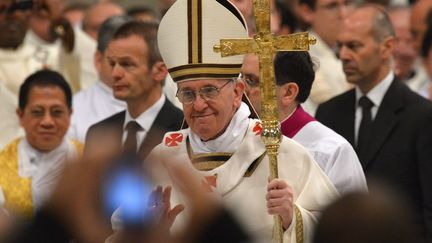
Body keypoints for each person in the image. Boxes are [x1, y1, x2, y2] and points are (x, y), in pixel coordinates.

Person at [141, 0, 340, 242]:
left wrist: (291, 217)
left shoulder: (282, 154)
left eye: (209, 91)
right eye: (188, 94)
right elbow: (113, 232)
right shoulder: (161, 159)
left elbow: (337, 229)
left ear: (237, 93)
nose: (199, 104)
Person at [315, 4, 432, 241]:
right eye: (341, 46)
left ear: (387, 47)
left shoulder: (421, 115)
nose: (344, 55)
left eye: (354, 46)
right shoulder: (329, 113)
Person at [241, 52, 367, 195]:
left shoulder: (332, 151)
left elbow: (353, 215)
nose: (239, 89)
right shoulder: (232, 136)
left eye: (251, 81)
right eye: (240, 78)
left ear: (288, 92)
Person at [85, 20, 184, 161]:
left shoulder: (183, 129)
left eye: (127, 64)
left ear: (160, 71)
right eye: (112, 63)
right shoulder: (98, 133)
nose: (115, 73)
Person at [0, 70, 82, 219]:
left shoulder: (87, 159)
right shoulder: (2, 163)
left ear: (70, 115)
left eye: (57, 112)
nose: (47, 122)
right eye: (37, 112)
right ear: (20, 116)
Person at [69, 16, 133, 143]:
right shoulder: (74, 111)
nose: (119, 71)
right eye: (114, 62)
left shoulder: (158, 102)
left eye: (129, 63)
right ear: (98, 60)